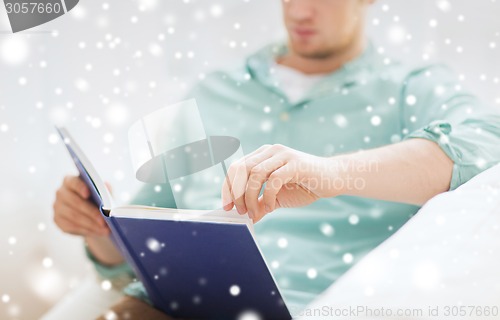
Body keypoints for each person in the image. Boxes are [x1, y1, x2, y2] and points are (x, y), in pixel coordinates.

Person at [52, 0, 500, 319]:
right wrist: (97, 229)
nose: (299, 11)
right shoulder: (214, 91)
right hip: (167, 303)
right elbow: (141, 242)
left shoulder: (412, 88)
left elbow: (487, 144)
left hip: (311, 304)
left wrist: (334, 173)